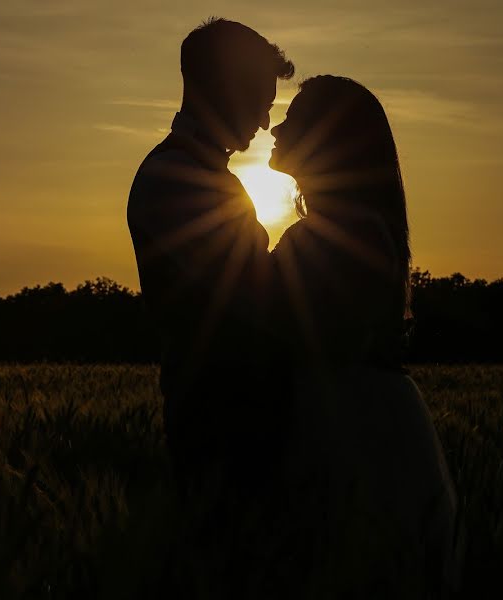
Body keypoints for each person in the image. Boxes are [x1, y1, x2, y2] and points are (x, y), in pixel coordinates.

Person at [268, 75, 463, 598]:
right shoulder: (356, 225)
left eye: (293, 119)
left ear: (325, 140)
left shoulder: (334, 234)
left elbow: (289, 335)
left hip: (350, 426)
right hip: (368, 417)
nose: (276, 128)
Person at [126, 18, 295, 496]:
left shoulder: (199, 175)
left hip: (230, 424)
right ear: (224, 86)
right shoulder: (177, 179)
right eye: (260, 101)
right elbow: (257, 305)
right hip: (223, 431)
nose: (265, 122)